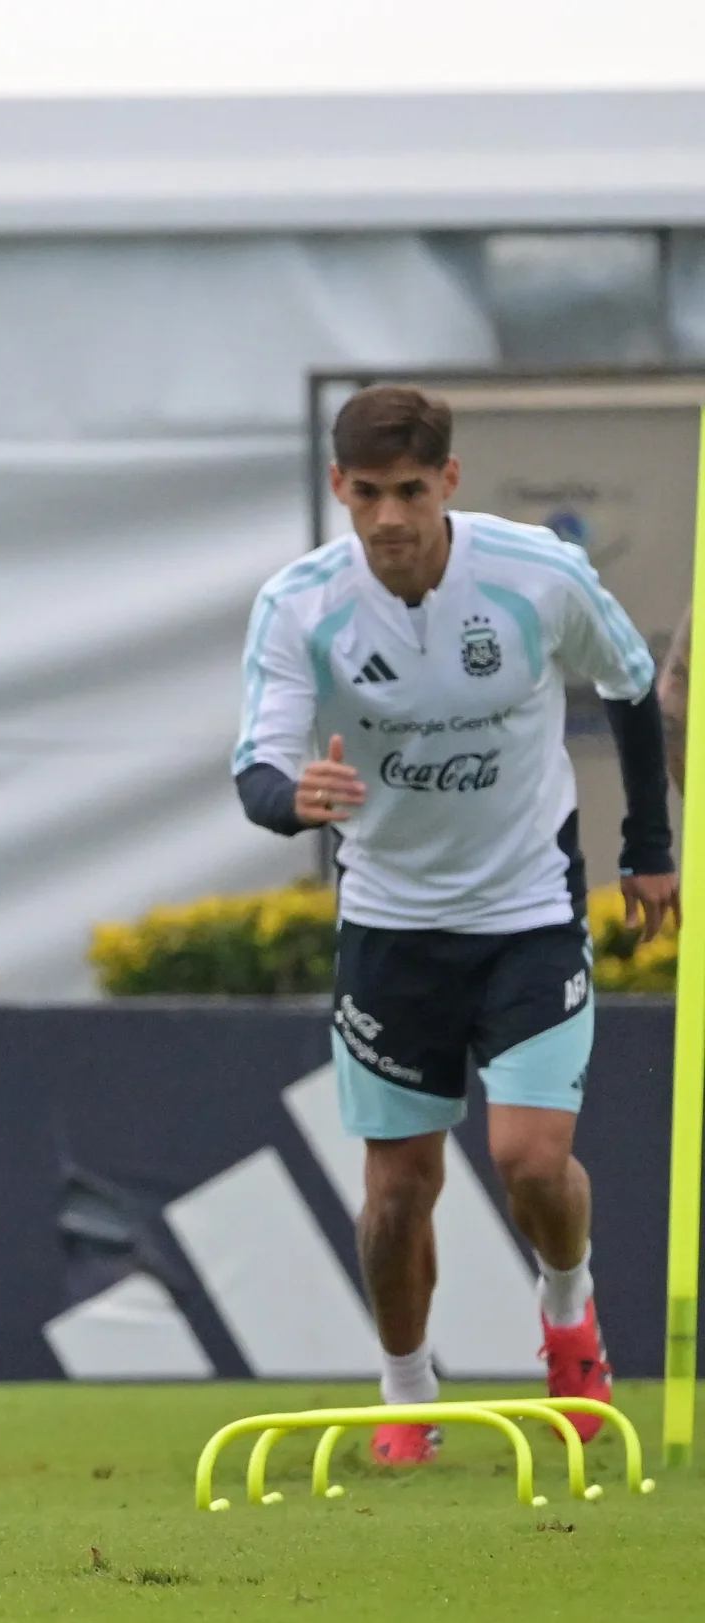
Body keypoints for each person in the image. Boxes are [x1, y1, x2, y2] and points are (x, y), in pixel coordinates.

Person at [232, 385, 676, 1465]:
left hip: (528, 906)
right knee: (396, 1197)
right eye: (368, 494)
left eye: (412, 491)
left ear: (450, 484)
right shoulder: (298, 605)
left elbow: (626, 686)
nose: (390, 518)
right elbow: (256, 766)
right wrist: (298, 800)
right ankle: (405, 1394)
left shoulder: (538, 574)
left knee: (529, 1160)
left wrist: (650, 851)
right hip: (389, 926)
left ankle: (567, 1317)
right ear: (338, 489)